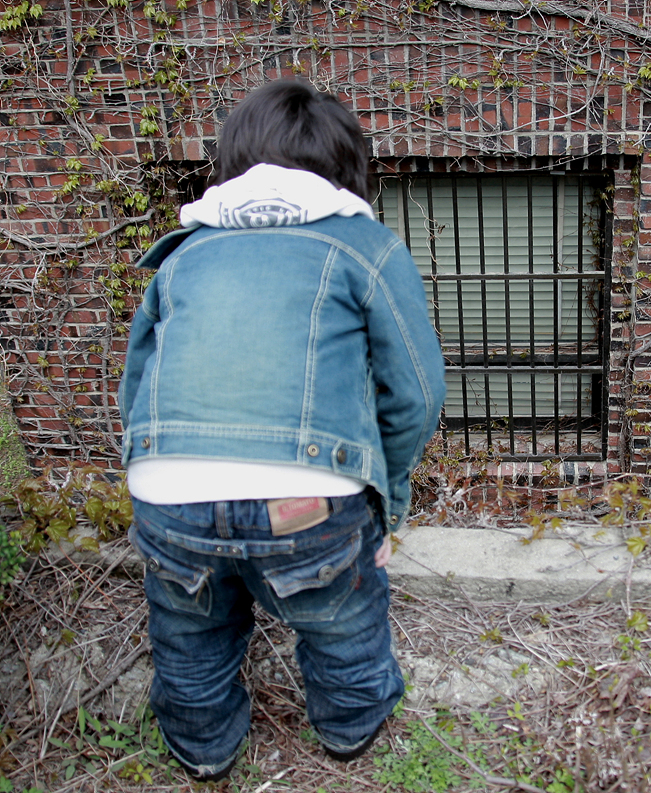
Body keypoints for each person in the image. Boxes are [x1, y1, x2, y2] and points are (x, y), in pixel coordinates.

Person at [119, 79, 446, 781]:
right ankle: (350, 729)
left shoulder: (182, 254)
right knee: (340, 621)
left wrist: (163, 482)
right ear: (347, 166)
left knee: (189, 632)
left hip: (169, 491)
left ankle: (203, 749)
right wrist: (386, 502)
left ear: (232, 160)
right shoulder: (365, 246)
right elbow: (416, 395)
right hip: (306, 499)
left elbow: (136, 384)